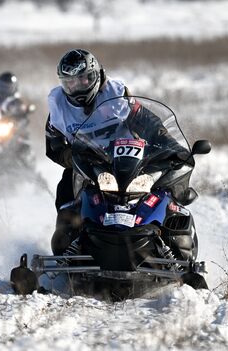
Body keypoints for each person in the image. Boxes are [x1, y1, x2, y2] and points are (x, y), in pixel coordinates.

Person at [45, 49, 196, 257]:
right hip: (91, 164)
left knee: (164, 187)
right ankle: (68, 248)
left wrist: (172, 147)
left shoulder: (115, 94)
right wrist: (73, 157)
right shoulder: (58, 106)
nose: (76, 87)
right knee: (66, 189)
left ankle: (175, 246)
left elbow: (149, 123)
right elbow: (53, 146)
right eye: (69, 82)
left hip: (129, 159)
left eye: (82, 80)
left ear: (94, 76)